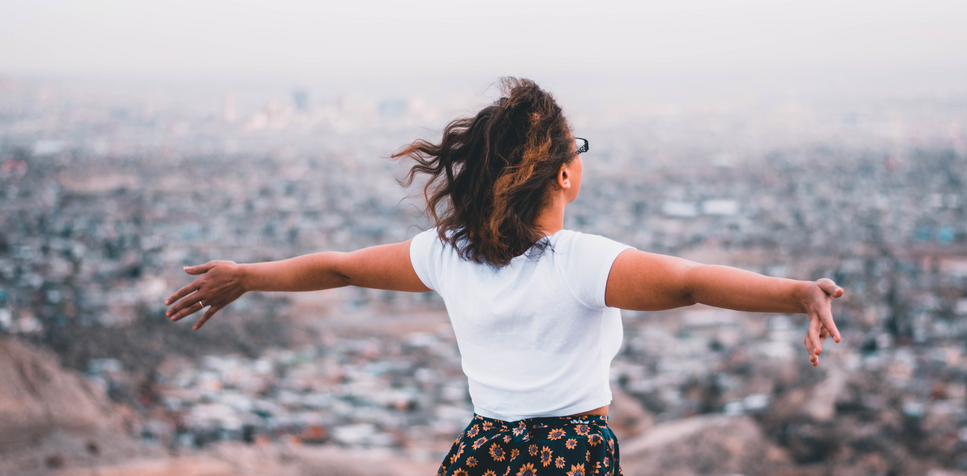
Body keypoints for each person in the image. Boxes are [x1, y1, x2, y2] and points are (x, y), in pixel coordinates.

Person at [163, 77, 843, 476]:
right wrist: (796, 294)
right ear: (565, 175)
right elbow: (692, 281)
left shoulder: (448, 253)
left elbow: (341, 267)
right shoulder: (579, 263)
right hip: (570, 453)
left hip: (484, 452)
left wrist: (247, 275)